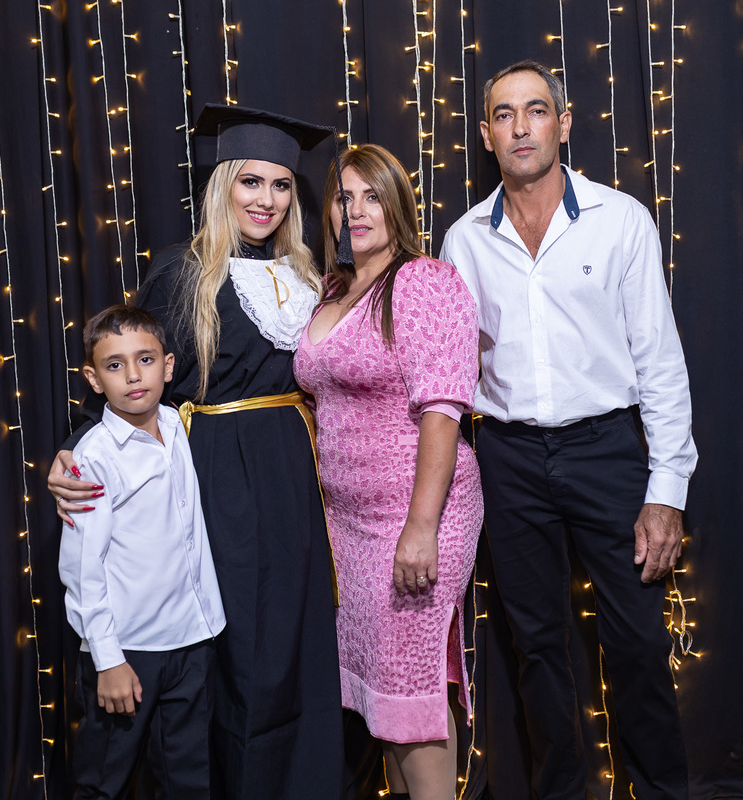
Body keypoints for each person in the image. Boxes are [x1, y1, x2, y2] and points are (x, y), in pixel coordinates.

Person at [48, 105, 344, 799]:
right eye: (250, 182)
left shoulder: (310, 275)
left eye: (280, 185)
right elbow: (129, 371)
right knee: (241, 651)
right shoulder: (184, 274)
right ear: (222, 187)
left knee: (300, 641)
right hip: (221, 474)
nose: (266, 200)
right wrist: (75, 448)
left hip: (297, 474)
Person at [438, 60, 698, 800]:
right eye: (504, 114)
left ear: (564, 122)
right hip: (509, 457)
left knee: (637, 643)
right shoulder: (464, 240)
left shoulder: (621, 220)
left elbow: (661, 363)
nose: (521, 127)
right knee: (537, 650)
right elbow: (449, 370)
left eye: (536, 110)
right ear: (486, 134)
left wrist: (667, 491)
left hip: (606, 451)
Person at [293, 143, 481, 800]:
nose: (356, 210)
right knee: (382, 698)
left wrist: (420, 528)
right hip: (347, 529)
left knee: (410, 692)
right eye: (344, 198)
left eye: (372, 196)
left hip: (416, 516)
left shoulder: (425, 282)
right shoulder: (333, 289)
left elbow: (443, 410)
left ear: (397, 204)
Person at [60, 304, 226, 798]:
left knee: (188, 779)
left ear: (168, 366)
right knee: (102, 780)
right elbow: (82, 569)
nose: (133, 375)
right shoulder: (93, 457)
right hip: (128, 650)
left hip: (193, 639)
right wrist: (107, 660)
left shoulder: (180, 425)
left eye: (146, 360)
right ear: (94, 379)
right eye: (115, 365)